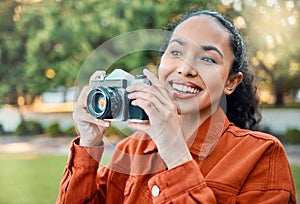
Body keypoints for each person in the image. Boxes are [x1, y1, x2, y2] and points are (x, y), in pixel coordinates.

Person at [56, 10, 296, 203]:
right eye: (176, 52)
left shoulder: (262, 155)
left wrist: (174, 150)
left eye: (208, 58)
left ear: (231, 82)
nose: (185, 68)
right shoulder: (130, 149)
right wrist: (89, 145)